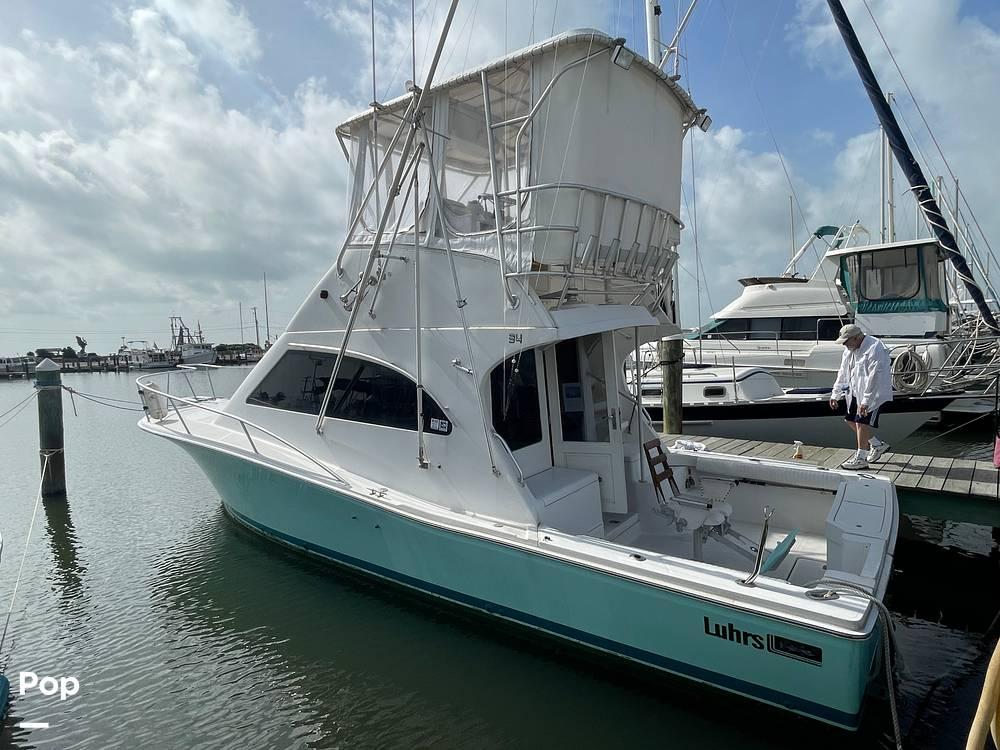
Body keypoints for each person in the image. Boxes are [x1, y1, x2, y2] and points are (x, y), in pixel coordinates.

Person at [829, 324, 893, 470]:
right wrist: (836, 393)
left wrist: (866, 401)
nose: (844, 345)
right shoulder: (849, 349)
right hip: (854, 391)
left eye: (846, 341)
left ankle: (861, 458)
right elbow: (843, 371)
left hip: (873, 394)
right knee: (850, 420)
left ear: (857, 338)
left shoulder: (875, 347)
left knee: (861, 423)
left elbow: (874, 376)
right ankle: (877, 445)